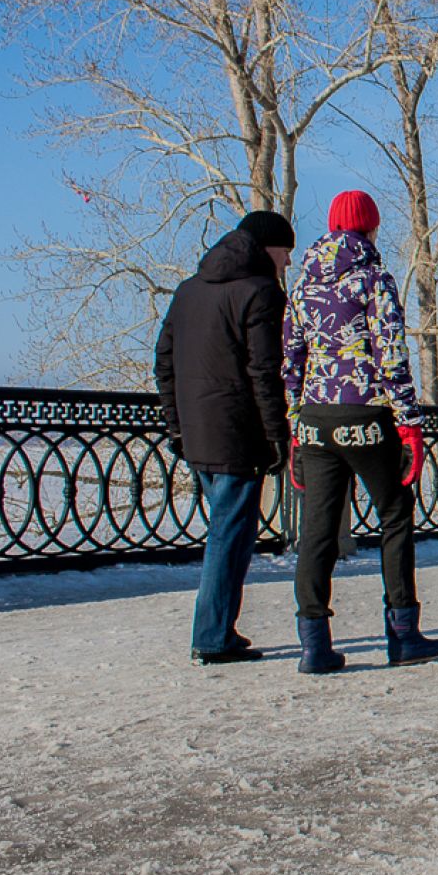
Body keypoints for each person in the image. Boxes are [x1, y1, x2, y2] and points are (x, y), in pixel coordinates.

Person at [283, 190, 438, 674]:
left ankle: (313, 644)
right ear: (370, 229)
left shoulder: (303, 285)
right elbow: (390, 356)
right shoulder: (374, 280)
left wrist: (297, 425)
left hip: (315, 418)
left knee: (317, 530)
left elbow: (289, 362)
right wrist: (410, 424)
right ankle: (402, 634)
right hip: (365, 415)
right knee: (395, 514)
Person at [155, 212, 296, 666]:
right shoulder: (261, 292)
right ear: (266, 247)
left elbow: (164, 363)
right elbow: (264, 373)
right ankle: (213, 636)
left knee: (227, 531)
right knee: (229, 536)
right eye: (285, 251)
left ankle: (220, 630)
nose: (288, 261)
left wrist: (176, 425)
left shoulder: (189, 290)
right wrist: (279, 436)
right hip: (238, 433)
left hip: (197, 433)